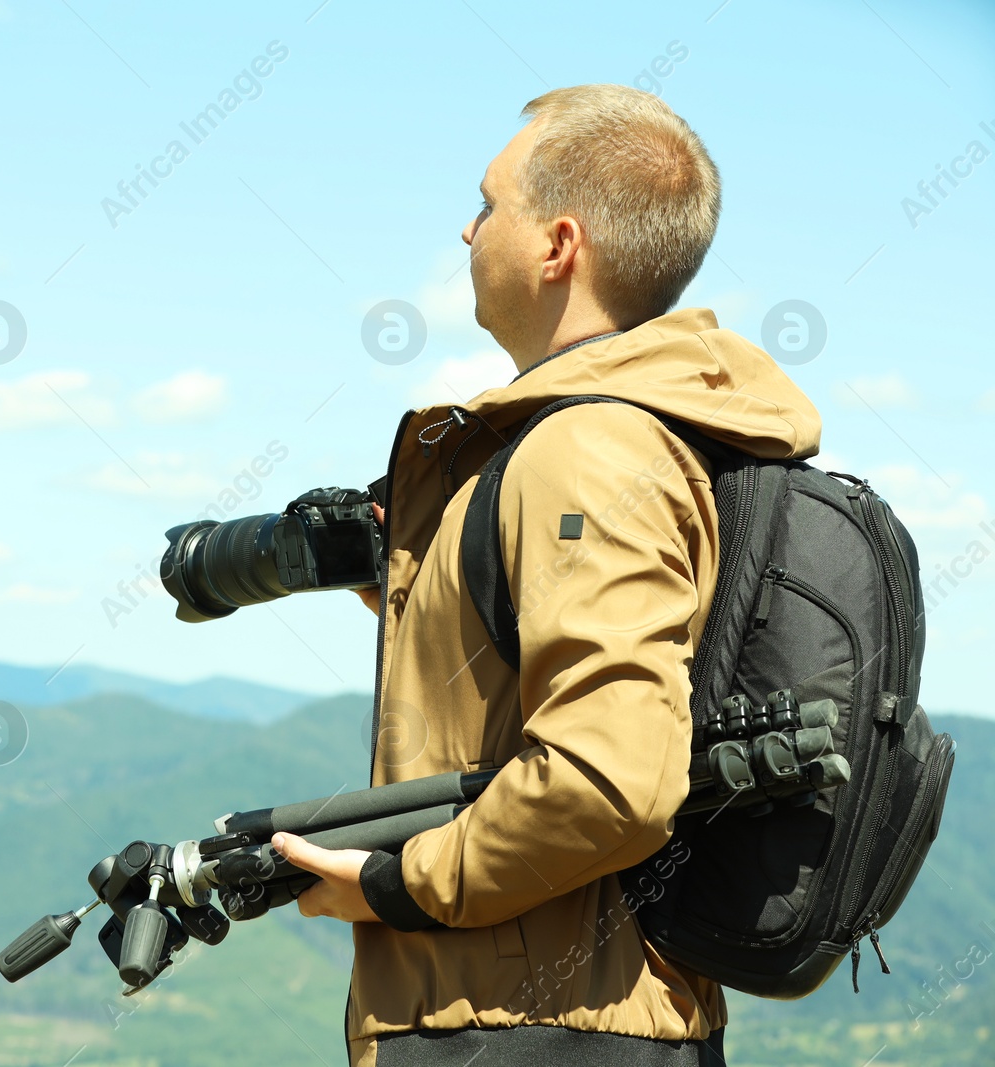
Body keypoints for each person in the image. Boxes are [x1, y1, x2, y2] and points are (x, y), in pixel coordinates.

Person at [268, 84, 822, 1065]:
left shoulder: (588, 448)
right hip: (534, 1017)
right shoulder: (601, 438)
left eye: (487, 204)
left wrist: (393, 883)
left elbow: (608, 778)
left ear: (558, 245)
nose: (467, 227)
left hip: (536, 1029)